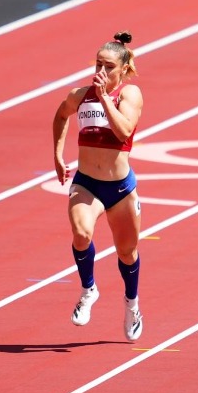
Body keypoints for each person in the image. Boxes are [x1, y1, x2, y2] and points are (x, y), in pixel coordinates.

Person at [52, 32, 145, 342]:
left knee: (127, 253)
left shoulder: (128, 96)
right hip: (87, 184)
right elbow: (61, 114)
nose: (101, 72)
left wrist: (105, 97)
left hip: (119, 188)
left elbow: (124, 132)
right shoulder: (79, 95)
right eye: (98, 65)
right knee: (81, 233)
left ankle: (132, 304)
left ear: (122, 70)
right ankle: (88, 289)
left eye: (108, 67)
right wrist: (57, 153)